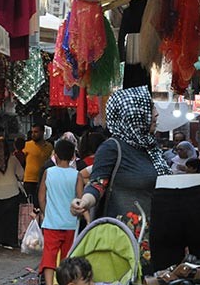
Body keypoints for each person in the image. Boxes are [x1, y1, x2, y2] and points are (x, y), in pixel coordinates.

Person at [71, 86, 171, 221]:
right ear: (134, 113)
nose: (156, 114)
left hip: (154, 232)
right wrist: (85, 202)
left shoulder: (151, 148)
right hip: (123, 235)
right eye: (151, 108)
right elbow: (97, 183)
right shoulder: (112, 148)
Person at [39, 139, 80, 285]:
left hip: (51, 222)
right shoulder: (76, 175)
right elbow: (80, 199)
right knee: (66, 258)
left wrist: (46, 211)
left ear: (55, 155)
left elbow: (41, 196)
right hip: (70, 223)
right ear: (72, 157)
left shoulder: (48, 172)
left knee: (49, 256)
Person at [0, 136, 24, 249]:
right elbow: (21, 174)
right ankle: (11, 241)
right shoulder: (13, 159)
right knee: (11, 219)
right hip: (12, 191)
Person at [23, 122, 53, 209]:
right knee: (29, 206)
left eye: (36, 132)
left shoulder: (49, 147)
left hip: (44, 180)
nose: (33, 134)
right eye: (32, 132)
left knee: (42, 204)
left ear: (42, 132)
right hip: (29, 180)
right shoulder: (27, 145)